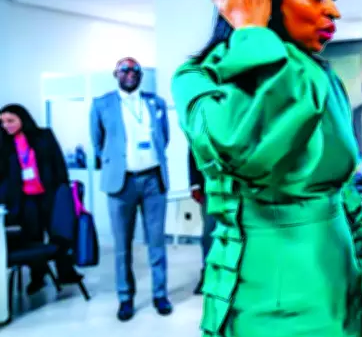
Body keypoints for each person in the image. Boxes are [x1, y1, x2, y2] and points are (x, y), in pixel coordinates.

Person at [171, 0, 362, 337]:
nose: (333, 9)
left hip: (341, 292)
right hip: (265, 306)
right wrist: (252, 34)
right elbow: (246, 148)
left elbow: (342, 189)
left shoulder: (322, 78)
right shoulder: (199, 78)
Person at [89, 57, 172, 321]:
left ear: (141, 75)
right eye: (124, 69)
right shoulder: (102, 104)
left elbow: (164, 138)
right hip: (121, 182)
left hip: (153, 181)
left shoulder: (156, 102)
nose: (130, 73)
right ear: (115, 74)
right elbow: (97, 142)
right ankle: (125, 298)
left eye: (135, 69)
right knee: (122, 245)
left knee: (156, 242)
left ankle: (160, 294)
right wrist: (116, 162)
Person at [0, 104, 83, 294]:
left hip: (49, 194)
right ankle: (38, 276)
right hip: (24, 199)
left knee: (59, 234)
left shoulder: (44, 136)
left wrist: (63, 190)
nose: (6, 125)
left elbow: (58, 163)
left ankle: (65, 272)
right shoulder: (4, 143)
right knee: (33, 237)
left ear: (23, 119)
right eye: (2, 122)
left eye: (10, 121)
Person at [189, 149, 215, 295]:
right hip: (209, 186)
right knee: (208, 235)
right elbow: (193, 149)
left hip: (235, 183)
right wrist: (194, 183)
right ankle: (207, 275)